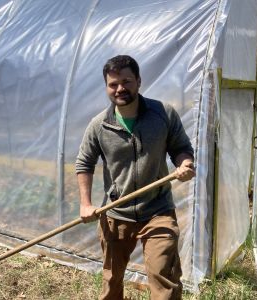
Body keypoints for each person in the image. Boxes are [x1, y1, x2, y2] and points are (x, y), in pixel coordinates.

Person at [75, 55, 195, 300]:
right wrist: (85, 204)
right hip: (116, 213)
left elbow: (181, 147)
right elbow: (84, 163)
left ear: (139, 81)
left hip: (158, 209)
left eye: (127, 81)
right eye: (113, 84)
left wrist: (185, 163)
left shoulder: (163, 114)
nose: (120, 88)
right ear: (107, 87)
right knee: (111, 279)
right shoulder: (99, 125)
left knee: (164, 275)